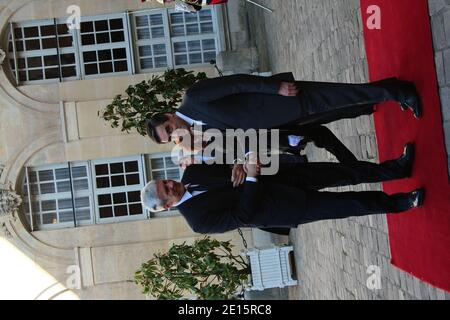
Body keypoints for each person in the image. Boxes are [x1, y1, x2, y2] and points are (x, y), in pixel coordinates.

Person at [141, 144, 424, 234]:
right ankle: (401, 203)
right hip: (282, 207)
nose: (171, 183)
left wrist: (242, 163)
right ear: (166, 206)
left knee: (345, 172)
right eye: (167, 189)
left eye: (165, 180)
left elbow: (230, 161)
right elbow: (242, 216)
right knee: (350, 204)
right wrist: (251, 179)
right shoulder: (198, 221)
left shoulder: (192, 171)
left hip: (282, 174)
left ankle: (397, 168)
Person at [146, 74, 421, 148]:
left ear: (169, 115)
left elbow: (237, 83)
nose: (174, 133)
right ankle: (391, 87)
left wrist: (274, 87)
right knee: (343, 99)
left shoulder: (193, 98)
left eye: (168, 128)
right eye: (169, 137)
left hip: (280, 98)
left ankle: (401, 91)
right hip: (283, 118)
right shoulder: (197, 131)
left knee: (342, 96)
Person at [153, 0, 227, 12]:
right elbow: (198, 7)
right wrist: (188, 8)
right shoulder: (181, 2)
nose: (168, 2)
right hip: (210, 1)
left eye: (166, 0)